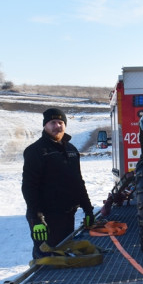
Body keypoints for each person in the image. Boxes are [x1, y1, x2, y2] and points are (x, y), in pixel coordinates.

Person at [22, 107, 95, 260]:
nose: (57, 126)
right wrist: (36, 218)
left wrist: (88, 210)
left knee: (64, 254)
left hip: (67, 214)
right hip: (45, 218)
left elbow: (78, 182)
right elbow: (29, 187)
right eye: (53, 122)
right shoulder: (35, 151)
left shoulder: (72, 150)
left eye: (60, 122)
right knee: (46, 256)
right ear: (45, 125)